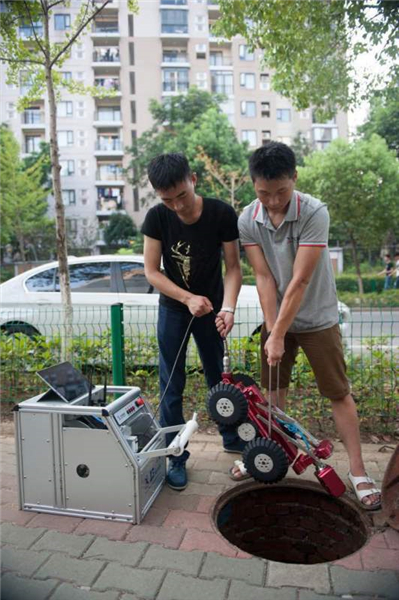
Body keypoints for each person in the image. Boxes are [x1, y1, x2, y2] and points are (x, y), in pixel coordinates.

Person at [230, 141, 381, 510]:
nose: (274, 200)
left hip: (317, 318)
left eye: (281, 191)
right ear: (253, 185)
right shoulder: (248, 219)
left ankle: (358, 471)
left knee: (337, 393)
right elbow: (264, 278)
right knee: (271, 395)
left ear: (294, 179)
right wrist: (272, 329)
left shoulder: (314, 212)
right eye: (265, 193)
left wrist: (279, 333)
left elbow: (299, 280)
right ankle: (264, 455)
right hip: (275, 318)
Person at [142, 153, 244, 490]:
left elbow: (233, 267)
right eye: (167, 199)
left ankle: (230, 436)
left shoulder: (221, 213)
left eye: (181, 196)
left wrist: (227, 308)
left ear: (194, 179)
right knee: (171, 383)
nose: (176, 206)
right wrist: (186, 298)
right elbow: (151, 272)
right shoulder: (157, 218)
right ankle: (175, 455)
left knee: (219, 376)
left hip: (213, 307)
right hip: (174, 309)